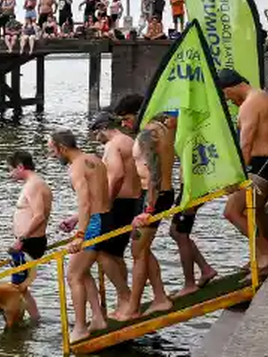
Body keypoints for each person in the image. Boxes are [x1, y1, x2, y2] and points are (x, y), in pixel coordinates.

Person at [217, 68, 268, 271]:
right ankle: (264, 251)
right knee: (256, 212)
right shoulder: (266, 97)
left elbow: (245, 144)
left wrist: (237, 176)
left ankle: (267, 253)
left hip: (258, 163)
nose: (228, 100)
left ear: (230, 88)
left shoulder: (248, 105)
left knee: (232, 211)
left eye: (226, 95)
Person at [115, 112, 177, 321]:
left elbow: (154, 174)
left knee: (138, 252)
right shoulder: (164, 132)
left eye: (126, 118)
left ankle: (133, 308)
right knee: (142, 250)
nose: (124, 124)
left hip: (154, 197)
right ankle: (160, 298)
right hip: (158, 195)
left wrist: (148, 210)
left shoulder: (148, 135)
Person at [50, 130, 110, 342]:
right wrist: (77, 219)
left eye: (53, 151)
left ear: (62, 148)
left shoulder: (76, 168)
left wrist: (80, 234)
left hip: (94, 222)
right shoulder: (94, 159)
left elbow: (85, 201)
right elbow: (100, 196)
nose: (52, 155)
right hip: (104, 217)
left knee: (73, 275)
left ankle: (81, 328)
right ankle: (98, 317)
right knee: (82, 272)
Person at [88, 112, 141, 317]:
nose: (95, 138)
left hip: (119, 204)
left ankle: (125, 295)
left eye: (95, 133)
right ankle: (124, 300)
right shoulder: (128, 140)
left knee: (102, 253)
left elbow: (117, 175)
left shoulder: (112, 145)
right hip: (132, 201)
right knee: (116, 254)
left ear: (102, 128)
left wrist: (107, 202)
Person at [7, 151, 51, 322]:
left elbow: (39, 216)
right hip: (27, 242)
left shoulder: (34, 185)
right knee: (20, 287)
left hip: (29, 242)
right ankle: (34, 318)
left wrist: (21, 239)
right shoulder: (34, 184)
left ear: (20, 167)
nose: (9, 174)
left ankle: (19, 319)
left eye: (11, 170)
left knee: (17, 286)